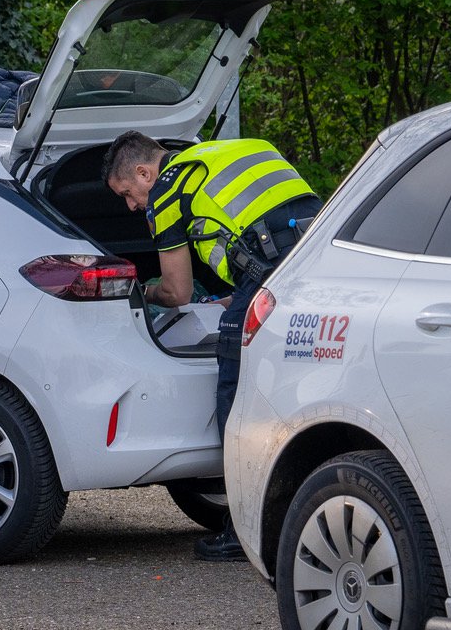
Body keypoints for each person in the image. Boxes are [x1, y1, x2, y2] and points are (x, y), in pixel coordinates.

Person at [103, 130, 321, 561]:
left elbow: (177, 292)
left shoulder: (168, 190)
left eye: (128, 193)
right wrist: (231, 300)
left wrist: (142, 293)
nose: (131, 206)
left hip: (272, 269)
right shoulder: (242, 149)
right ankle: (306, 513)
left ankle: (245, 531)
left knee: (235, 390)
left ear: (145, 173)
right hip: (319, 261)